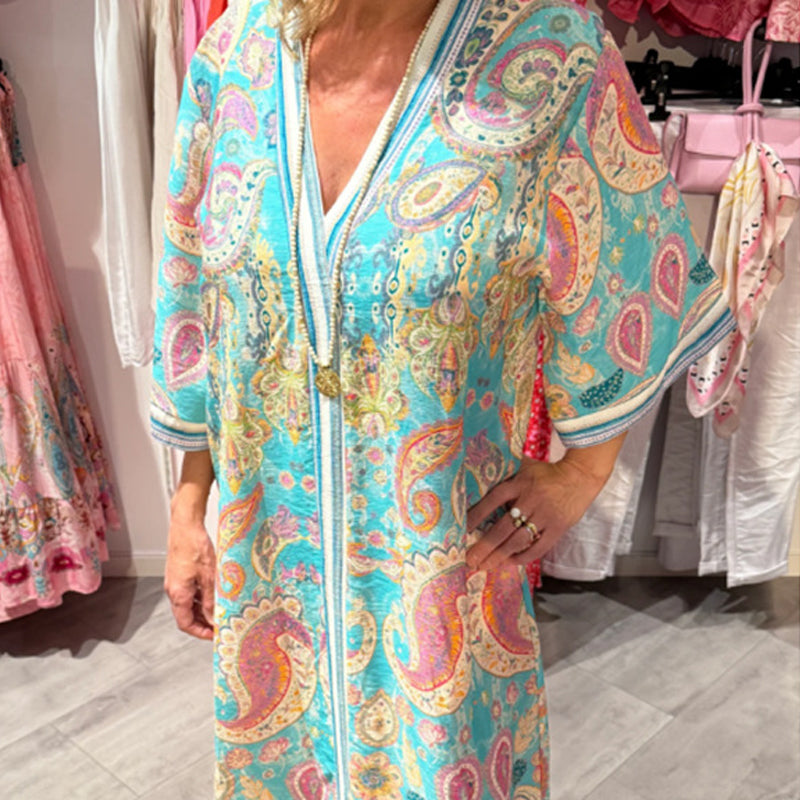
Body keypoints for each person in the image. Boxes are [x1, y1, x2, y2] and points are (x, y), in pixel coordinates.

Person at [150, 0, 733, 797]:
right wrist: (189, 508)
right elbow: (195, 299)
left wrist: (583, 473)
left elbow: (631, 271)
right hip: (272, 587)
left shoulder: (550, 55)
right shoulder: (233, 56)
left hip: (445, 584)